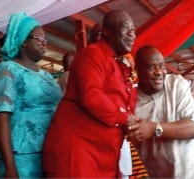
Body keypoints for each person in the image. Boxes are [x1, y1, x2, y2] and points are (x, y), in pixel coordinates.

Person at [43, 10, 138, 178]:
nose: (132, 33)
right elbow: (91, 95)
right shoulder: (91, 54)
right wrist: (125, 118)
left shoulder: (118, 65)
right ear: (107, 31)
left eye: (134, 29)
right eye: (126, 27)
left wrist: (135, 124)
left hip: (103, 153)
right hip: (79, 151)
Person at [127, 45, 194, 178]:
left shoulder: (176, 84)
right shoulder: (131, 101)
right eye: (151, 67)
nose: (159, 72)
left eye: (162, 66)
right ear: (137, 70)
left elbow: (193, 128)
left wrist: (153, 128)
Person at [0, 12, 62, 178]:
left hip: (51, 152)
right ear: (23, 40)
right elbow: (2, 119)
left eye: (45, 38)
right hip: (22, 156)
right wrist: (10, 167)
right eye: (39, 38)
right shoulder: (7, 70)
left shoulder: (47, 75)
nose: (44, 42)